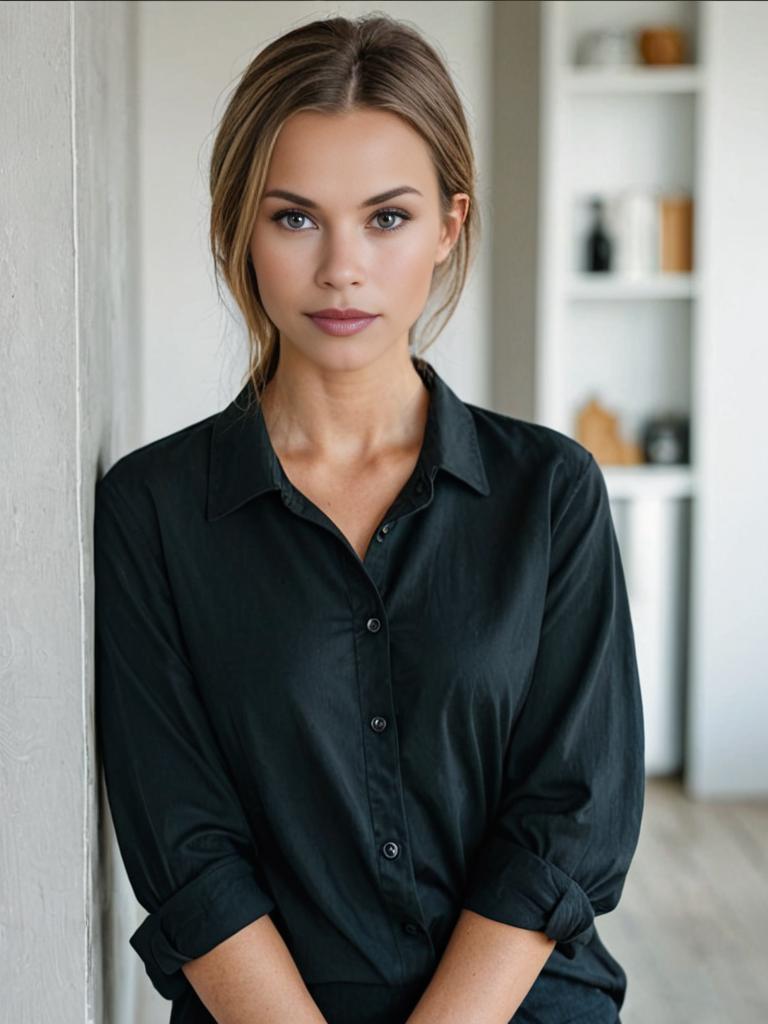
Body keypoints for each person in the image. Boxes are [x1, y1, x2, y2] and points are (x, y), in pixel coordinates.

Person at [94, 13, 645, 1024]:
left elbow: (568, 818)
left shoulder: (551, 493)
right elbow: (186, 843)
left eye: (386, 217)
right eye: (294, 217)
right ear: (237, 228)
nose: (341, 268)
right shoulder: (152, 510)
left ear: (449, 224)